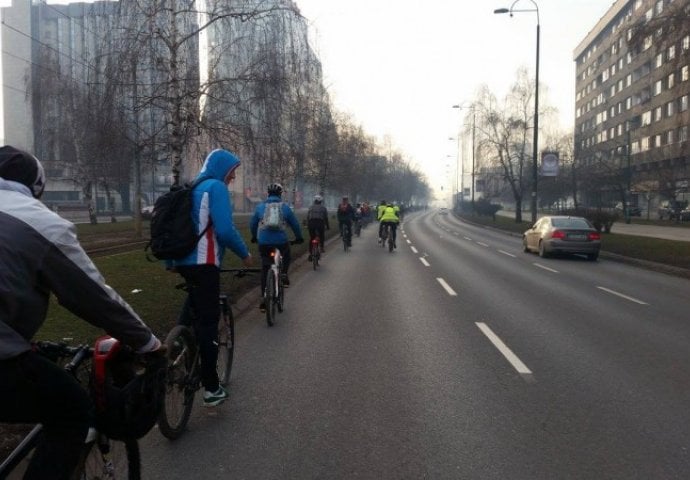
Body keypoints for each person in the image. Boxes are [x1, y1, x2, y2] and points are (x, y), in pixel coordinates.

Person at [0, 145, 163, 479]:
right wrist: (148, 343)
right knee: (72, 410)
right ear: (37, 187)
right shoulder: (40, 221)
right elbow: (93, 296)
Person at [167, 148, 253, 407]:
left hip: (183, 261)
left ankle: (171, 354)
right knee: (208, 324)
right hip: (205, 264)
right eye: (232, 172)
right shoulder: (215, 187)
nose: (233, 178)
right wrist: (245, 254)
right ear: (222, 169)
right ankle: (211, 388)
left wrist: (172, 262)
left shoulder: (191, 187)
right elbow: (225, 230)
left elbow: (177, 227)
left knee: (190, 312)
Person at [250, 183, 304, 311]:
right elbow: (295, 225)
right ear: (280, 194)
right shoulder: (285, 207)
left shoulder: (260, 207)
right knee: (286, 253)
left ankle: (264, 297)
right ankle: (284, 273)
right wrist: (299, 238)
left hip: (264, 243)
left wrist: (254, 236)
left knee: (265, 268)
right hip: (280, 242)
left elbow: (252, 224)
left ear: (268, 194)